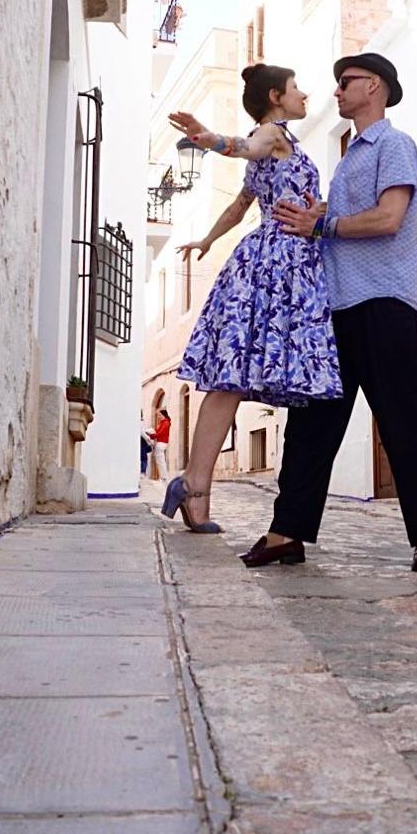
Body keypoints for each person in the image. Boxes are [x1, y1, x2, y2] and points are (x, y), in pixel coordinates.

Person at [243, 52, 417, 573]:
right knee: (309, 426)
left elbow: (389, 217)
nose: (335, 91)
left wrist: (323, 225)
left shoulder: (394, 145)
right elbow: (337, 220)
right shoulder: (349, 158)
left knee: (404, 421)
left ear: (373, 86)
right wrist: (315, 215)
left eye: (345, 82)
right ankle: (286, 533)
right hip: (334, 308)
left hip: (384, 301)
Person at [161, 64, 343, 532]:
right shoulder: (271, 134)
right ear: (276, 97)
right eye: (296, 88)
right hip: (277, 264)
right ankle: (195, 486)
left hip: (278, 263)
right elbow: (244, 147)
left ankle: (194, 484)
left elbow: (240, 205)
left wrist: (207, 239)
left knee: (231, 378)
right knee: (229, 378)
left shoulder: (284, 142)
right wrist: (209, 139)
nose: (304, 94)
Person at [148, 408, 171, 480]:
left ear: (164, 415)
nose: (158, 417)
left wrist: (151, 435)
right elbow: (158, 432)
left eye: (160, 415)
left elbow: (160, 433)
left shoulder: (166, 423)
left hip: (162, 443)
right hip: (160, 443)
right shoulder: (162, 422)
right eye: (158, 415)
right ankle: (163, 476)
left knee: (161, 461)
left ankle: (164, 477)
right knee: (160, 461)